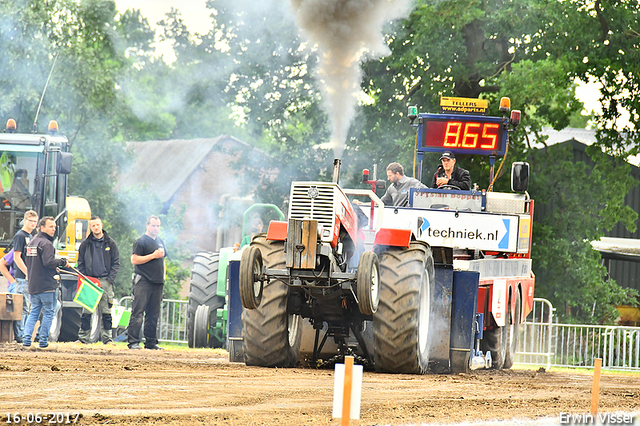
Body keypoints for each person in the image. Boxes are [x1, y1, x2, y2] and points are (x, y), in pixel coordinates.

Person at [22, 216, 69, 350]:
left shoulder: (31, 243)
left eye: (54, 227)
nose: (54, 229)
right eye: (50, 226)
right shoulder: (46, 244)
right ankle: (43, 342)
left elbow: (34, 263)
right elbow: (48, 262)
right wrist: (62, 262)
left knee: (34, 313)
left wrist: (54, 266)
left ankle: (26, 341)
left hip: (33, 285)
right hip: (47, 286)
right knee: (49, 313)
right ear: (42, 228)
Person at [76, 216, 120, 345]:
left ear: (101, 225)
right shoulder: (85, 244)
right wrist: (85, 278)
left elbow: (116, 263)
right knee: (86, 312)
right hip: (90, 281)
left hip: (105, 281)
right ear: (90, 227)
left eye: (98, 225)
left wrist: (110, 280)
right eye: (93, 225)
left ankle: (107, 339)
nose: (96, 227)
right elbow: (81, 263)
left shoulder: (110, 243)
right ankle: (83, 338)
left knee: (106, 311)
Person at [127, 215, 167, 350]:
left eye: (158, 226)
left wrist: (164, 275)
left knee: (153, 314)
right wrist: (152, 256)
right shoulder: (140, 242)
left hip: (157, 282)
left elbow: (163, 260)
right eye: (153, 225)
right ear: (147, 226)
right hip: (143, 281)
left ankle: (151, 342)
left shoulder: (160, 242)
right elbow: (134, 260)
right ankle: (133, 342)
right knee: (138, 312)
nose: (156, 228)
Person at [6, 210, 38, 344]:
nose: (32, 224)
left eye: (35, 222)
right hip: (22, 278)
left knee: (27, 307)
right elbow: (16, 257)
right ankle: (20, 336)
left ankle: (24, 334)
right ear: (24, 221)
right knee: (22, 307)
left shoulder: (30, 237)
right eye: (30, 221)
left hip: (27, 278)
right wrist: (27, 273)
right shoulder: (20, 236)